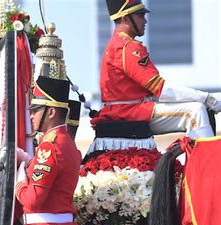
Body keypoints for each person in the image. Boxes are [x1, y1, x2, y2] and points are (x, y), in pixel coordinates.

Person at [91, 0, 221, 138]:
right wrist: (208, 98)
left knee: (196, 106)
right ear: (125, 18)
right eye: (140, 16)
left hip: (124, 110)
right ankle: (208, 159)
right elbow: (161, 89)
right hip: (129, 112)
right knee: (195, 111)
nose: (145, 21)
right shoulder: (128, 47)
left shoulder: (117, 44)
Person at [15, 76, 83, 225]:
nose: (31, 116)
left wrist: (19, 181)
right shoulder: (64, 142)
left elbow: (33, 200)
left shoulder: (49, 147)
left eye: (35, 110)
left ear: (51, 112)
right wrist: (29, 162)